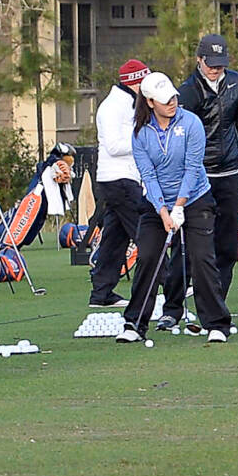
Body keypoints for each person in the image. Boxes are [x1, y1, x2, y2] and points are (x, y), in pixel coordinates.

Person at [123, 73, 229, 343]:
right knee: (147, 256)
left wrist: (179, 206)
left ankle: (217, 323)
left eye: (173, 97)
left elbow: (193, 168)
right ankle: (134, 323)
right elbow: (148, 175)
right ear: (149, 102)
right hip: (157, 203)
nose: (172, 102)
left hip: (195, 199)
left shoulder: (191, 123)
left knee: (202, 257)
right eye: (164, 100)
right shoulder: (139, 133)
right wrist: (163, 212)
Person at [175, 34, 238, 314]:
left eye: (220, 64)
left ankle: (215, 304)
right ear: (199, 60)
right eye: (210, 64)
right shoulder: (188, 91)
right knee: (193, 245)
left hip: (231, 172)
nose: (215, 69)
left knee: (226, 245)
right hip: (200, 175)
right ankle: (173, 306)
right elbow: (184, 137)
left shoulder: (236, 82)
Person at [86, 60, 152, 308]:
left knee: (114, 239)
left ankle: (101, 293)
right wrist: (145, 139)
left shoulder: (128, 103)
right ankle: (170, 284)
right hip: (119, 179)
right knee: (146, 232)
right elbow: (113, 146)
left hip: (120, 179)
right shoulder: (113, 107)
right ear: (134, 82)